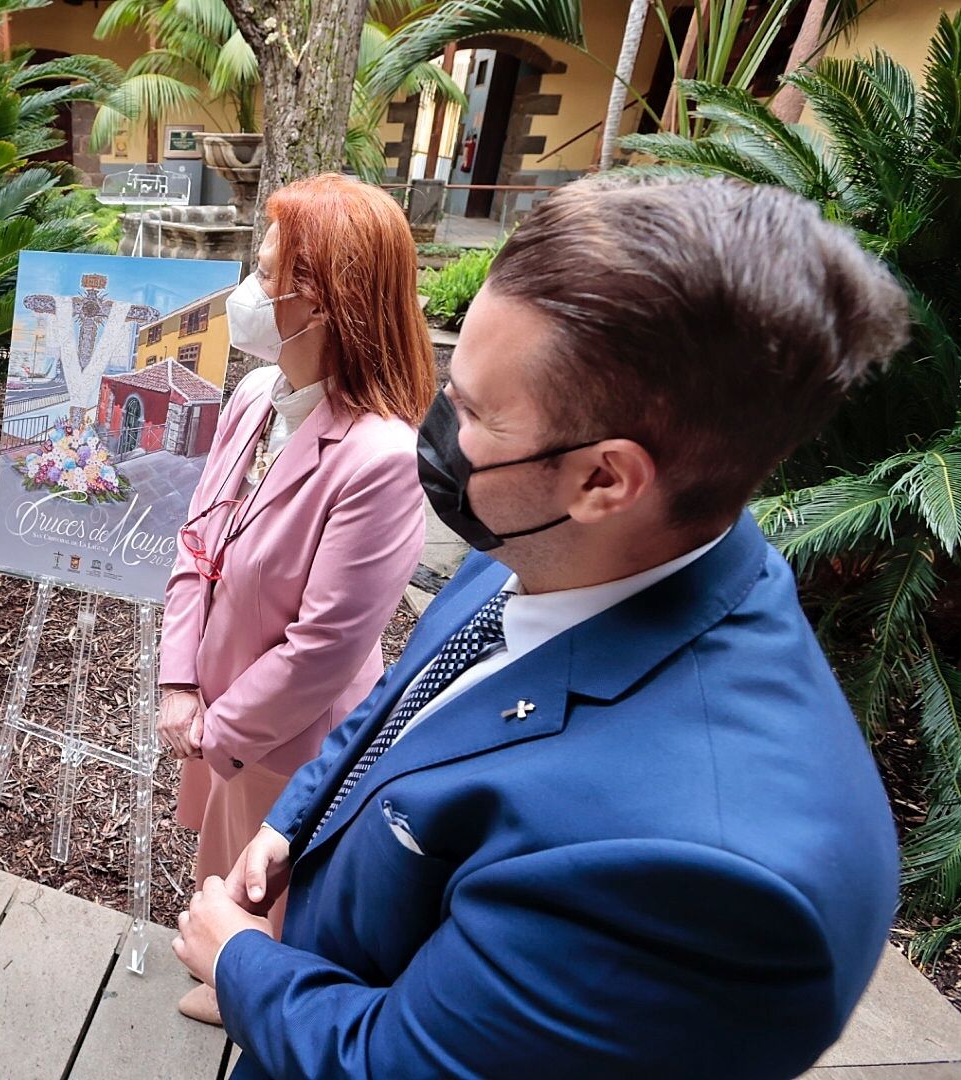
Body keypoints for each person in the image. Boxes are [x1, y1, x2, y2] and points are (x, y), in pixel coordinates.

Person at [170, 175, 909, 1078]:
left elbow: (407, 1064)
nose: (437, 429)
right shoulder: (561, 539)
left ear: (605, 478)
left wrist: (242, 963)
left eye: (474, 413)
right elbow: (407, 697)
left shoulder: (700, 878)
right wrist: (295, 817)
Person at [158, 173, 432, 1025]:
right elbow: (196, 537)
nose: (246, 291)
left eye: (265, 271)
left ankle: (255, 991)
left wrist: (218, 725)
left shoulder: (380, 457)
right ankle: (229, 967)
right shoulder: (254, 394)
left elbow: (326, 647)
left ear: (320, 302)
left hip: (288, 727)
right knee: (226, 845)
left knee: (274, 868)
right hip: (217, 703)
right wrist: (178, 679)